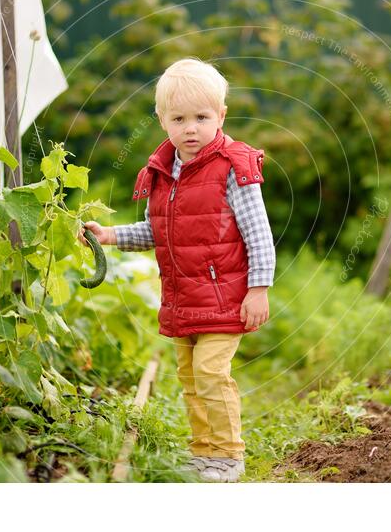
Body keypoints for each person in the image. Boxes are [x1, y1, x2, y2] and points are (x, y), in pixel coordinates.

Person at [78, 57, 276, 483]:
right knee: (190, 377)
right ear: (162, 120)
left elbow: (258, 232)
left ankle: (228, 454)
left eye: (202, 118)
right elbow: (158, 230)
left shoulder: (231, 168)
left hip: (225, 297)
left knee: (210, 372)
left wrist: (258, 288)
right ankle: (203, 452)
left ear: (221, 116)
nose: (191, 128)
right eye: (179, 118)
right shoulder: (166, 172)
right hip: (183, 298)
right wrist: (110, 234)